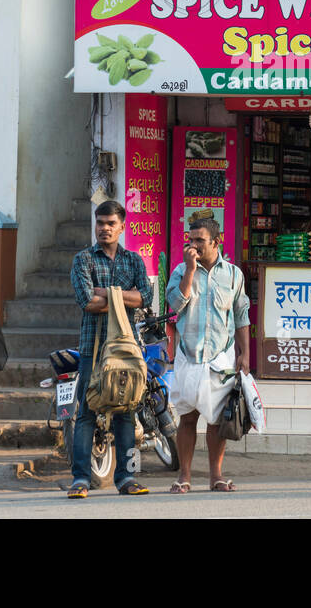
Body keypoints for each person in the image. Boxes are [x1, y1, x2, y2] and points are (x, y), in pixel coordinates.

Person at [66, 199, 152, 498]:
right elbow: (87, 302)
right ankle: (80, 478)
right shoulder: (83, 260)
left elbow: (145, 298)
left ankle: (127, 478)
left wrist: (106, 293)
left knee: (127, 411)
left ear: (122, 227)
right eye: (100, 223)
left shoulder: (134, 261)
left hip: (127, 350)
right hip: (93, 347)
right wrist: (121, 296)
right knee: (88, 412)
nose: (104, 228)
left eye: (110, 224)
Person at [167, 218, 251, 494]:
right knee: (187, 418)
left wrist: (245, 354)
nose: (193, 245)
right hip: (188, 354)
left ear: (218, 240)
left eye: (199, 240)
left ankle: (216, 475)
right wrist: (191, 271)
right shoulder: (180, 271)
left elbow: (241, 316)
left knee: (217, 419)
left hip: (220, 356)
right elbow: (175, 306)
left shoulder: (234, 275)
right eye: (190, 240)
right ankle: (185, 476)